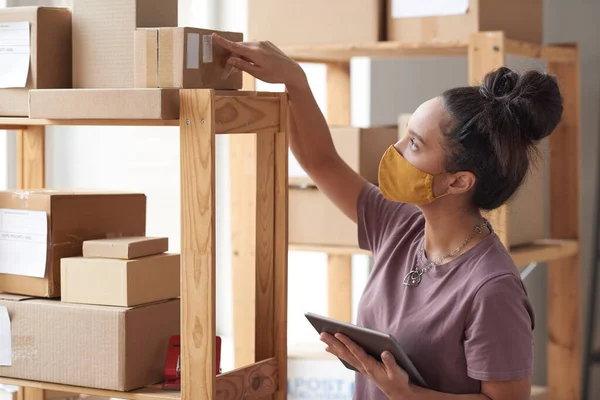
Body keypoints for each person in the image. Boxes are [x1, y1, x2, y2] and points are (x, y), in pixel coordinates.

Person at [211, 34, 563, 400]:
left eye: (414, 144)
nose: (394, 151)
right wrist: (295, 80)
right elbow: (321, 162)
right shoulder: (401, 224)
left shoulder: (493, 288)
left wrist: (407, 394)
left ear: (458, 181)